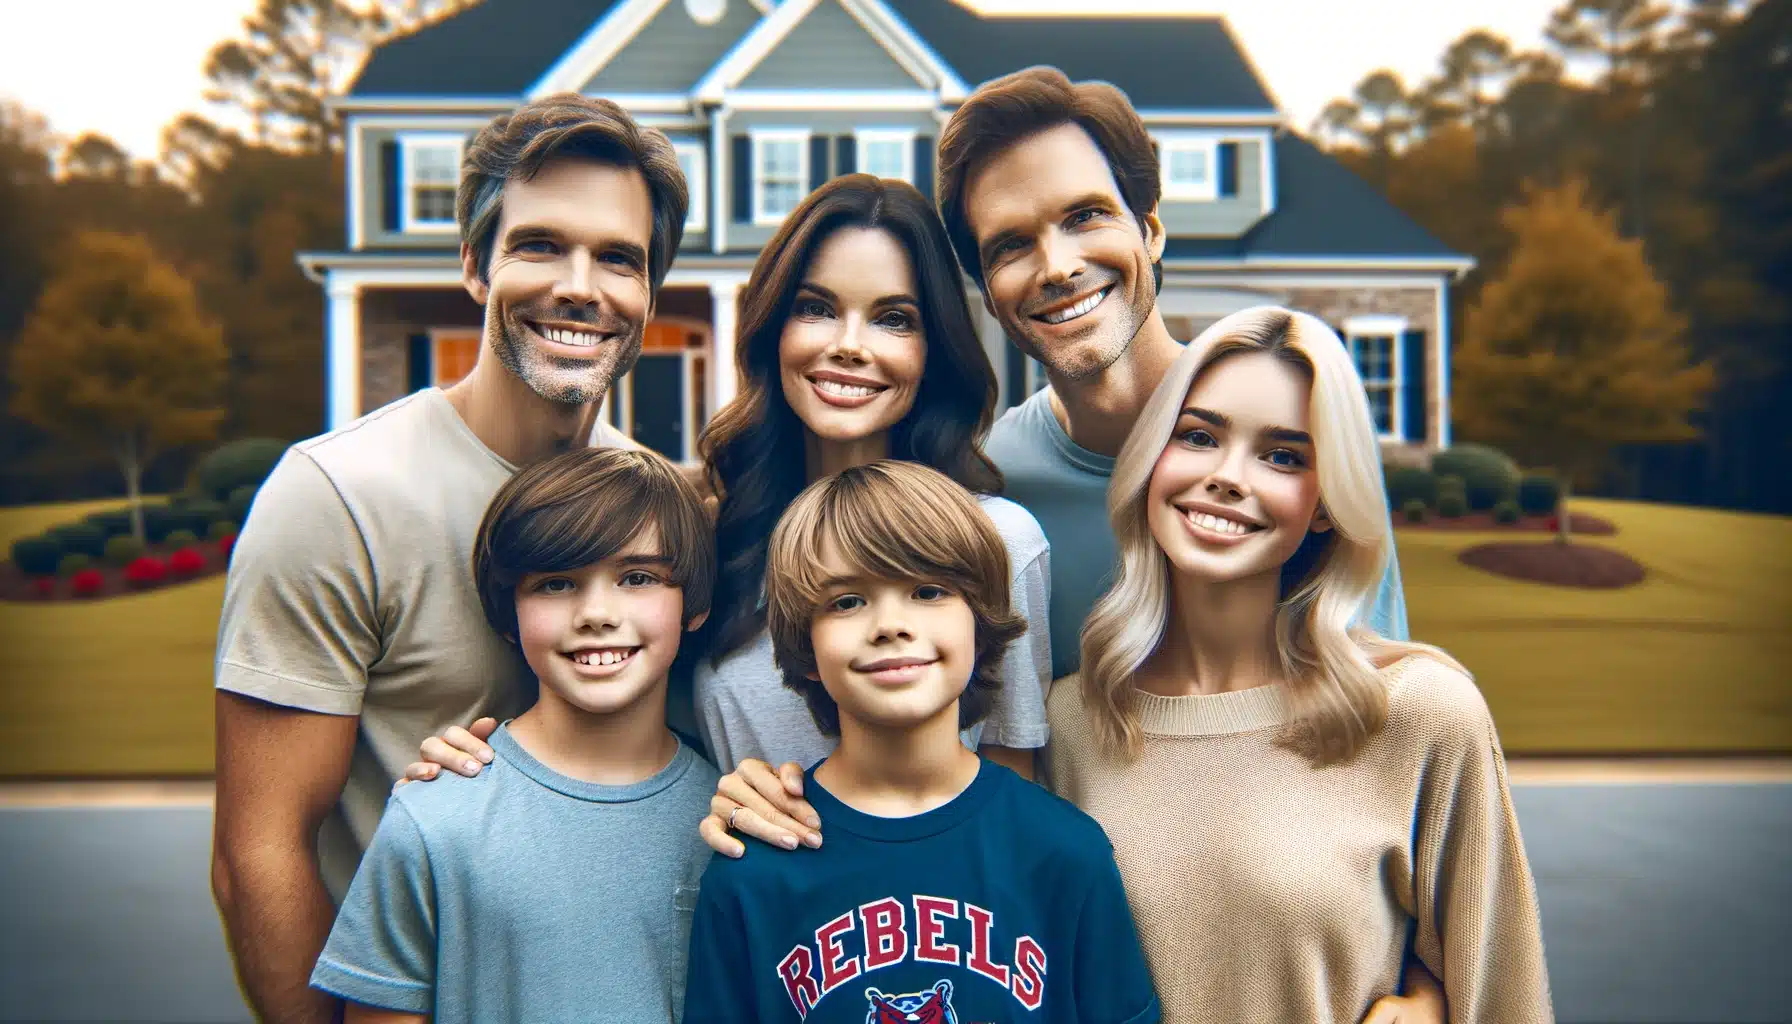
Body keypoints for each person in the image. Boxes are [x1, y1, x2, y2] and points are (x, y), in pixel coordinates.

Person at [210, 93, 687, 1023]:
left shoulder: (661, 509)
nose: (581, 286)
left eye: (619, 259)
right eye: (540, 244)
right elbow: (258, 854)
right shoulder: (337, 497)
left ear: (649, 296)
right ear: (475, 265)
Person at [405, 176, 1053, 852]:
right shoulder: (706, 533)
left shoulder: (998, 543)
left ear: (934, 349)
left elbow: (1015, 796)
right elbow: (608, 712)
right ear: (773, 328)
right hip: (739, 910)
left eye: (894, 318)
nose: (850, 345)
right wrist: (474, 762)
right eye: (817, 308)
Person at [1051, 306, 1552, 1022]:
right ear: (1152, 455)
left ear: (1324, 505)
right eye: (1199, 436)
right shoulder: (1068, 723)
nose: (1228, 477)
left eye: (1284, 456)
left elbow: (1505, 1002)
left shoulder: (1419, 715)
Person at [682, 460, 1158, 1023]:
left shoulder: (1064, 851)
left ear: (980, 625)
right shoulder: (752, 871)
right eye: (847, 601)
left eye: (928, 591)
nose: (890, 624)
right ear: (806, 651)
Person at [310, 446, 719, 1024]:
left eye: (637, 577)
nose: (597, 613)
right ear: (508, 614)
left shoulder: (729, 820)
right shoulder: (434, 820)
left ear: (694, 605)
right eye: (556, 584)